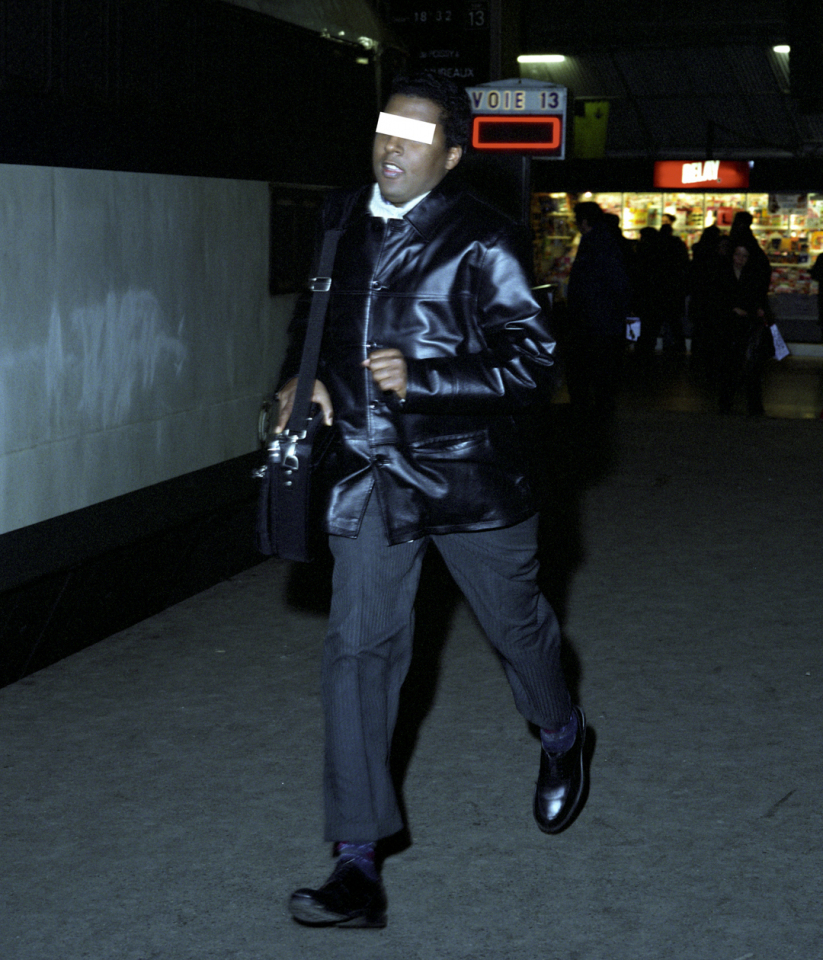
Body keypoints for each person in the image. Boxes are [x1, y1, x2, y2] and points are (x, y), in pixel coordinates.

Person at [275, 72, 587, 929]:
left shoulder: (485, 238)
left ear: (449, 156)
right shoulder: (340, 218)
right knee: (356, 654)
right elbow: (310, 324)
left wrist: (427, 379)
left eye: (414, 139)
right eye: (386, 129)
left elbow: (536, 365)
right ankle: (356, 862)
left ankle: (561, 733)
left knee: (517, 630)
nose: (392, 147)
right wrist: (301, 382)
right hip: (367, 471)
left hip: (470, 477)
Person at [564, 200, 631, 414]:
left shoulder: (595, 243)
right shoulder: (605, 241)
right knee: (601, 369)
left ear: (584, 221)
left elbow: (602, 282)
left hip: (593, 318)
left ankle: (590, 408)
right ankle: (600, 406)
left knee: (587, 367)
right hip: (602, 319)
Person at [713, 239, 772, 414]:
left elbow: (758, 297)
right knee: (731, 365)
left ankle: (752, 404)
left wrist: (756, 310)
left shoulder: (752, 275)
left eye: (744, 256)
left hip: (748, 324)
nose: (740, 259)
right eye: (738, 254)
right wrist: (732, 308)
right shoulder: (722, 272)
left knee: (750, 366)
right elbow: (714, 297)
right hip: (728, 325)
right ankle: (727, 402)